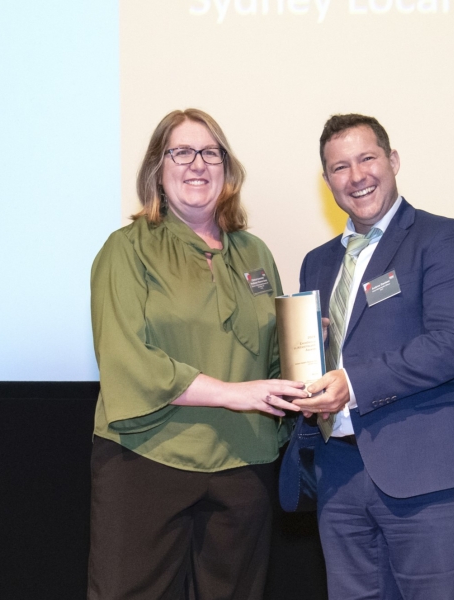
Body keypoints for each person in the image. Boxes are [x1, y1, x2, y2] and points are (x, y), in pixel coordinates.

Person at [87, 108, 307, 600]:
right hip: (146, 458)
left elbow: (274, 360)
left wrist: (313, 356)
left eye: (210, 153)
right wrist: (233, 394)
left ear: (227, 170)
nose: (197, 165)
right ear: (157, 170)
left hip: (244, 465)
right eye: (181, 152)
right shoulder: (126, 250)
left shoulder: (255, 254)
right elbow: (128, 360)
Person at [281, 114, 454, 599]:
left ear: (393, 160)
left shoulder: (442, 238)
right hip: (339, 477)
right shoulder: (318, 262)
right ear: (327, 182)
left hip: (428, 476)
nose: (356, 176)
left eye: (367, 159)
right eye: (340, 167)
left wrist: (351, 382)